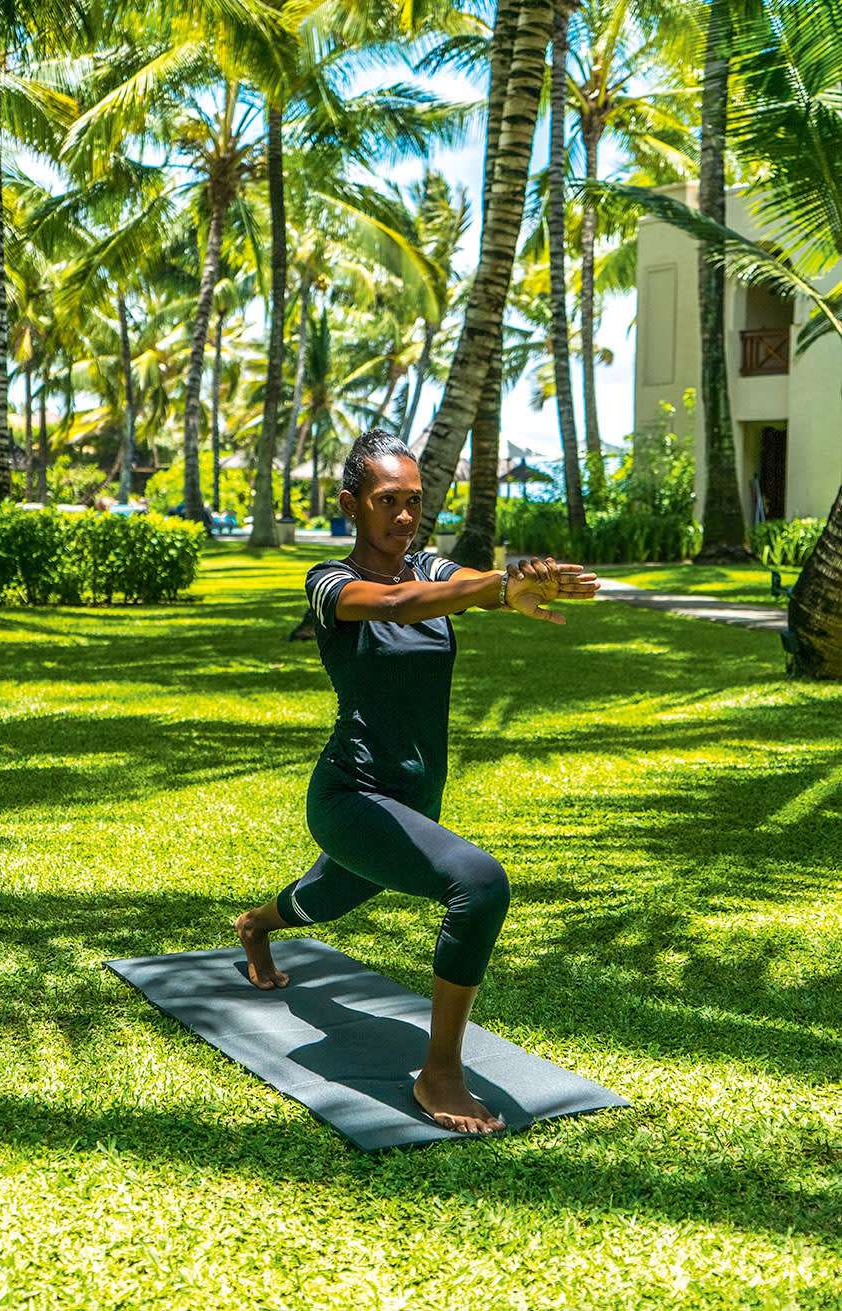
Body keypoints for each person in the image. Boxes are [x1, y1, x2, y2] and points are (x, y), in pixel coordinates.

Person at [236, 428, 600, 1134]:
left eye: (415, 501)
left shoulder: (430, 566)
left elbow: (455, 587)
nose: (405, 517)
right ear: (351, 504)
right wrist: (494, 587)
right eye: (387, 501)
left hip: (414, 799)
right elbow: (397, 607)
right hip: (350, 796)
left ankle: (256, 925)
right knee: (479, 882)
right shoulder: (328, 583)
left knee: (325, 897)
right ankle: (439, 1074)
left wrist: (511, 587)